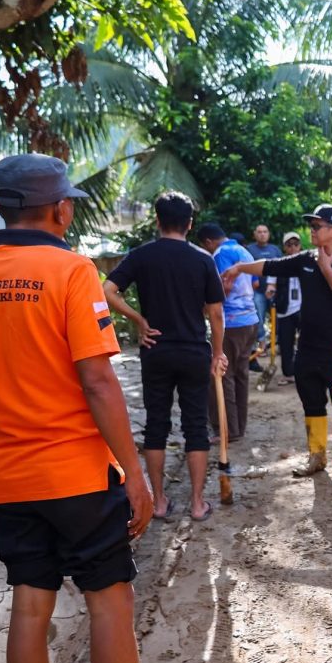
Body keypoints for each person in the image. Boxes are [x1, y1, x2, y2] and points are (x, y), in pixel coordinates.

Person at [0, 154, 153, 663]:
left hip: (8, 475)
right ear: (62, 209)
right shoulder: (73, 271)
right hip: (77, 471)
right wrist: (134, 473)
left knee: (29, 603)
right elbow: (97, 380)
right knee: (110, 601)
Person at [103, 191, 227, 522]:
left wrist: (139, 320)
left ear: (157, 220)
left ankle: (158, 502)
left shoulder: (142, 256)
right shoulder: (203, 259)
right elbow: (216, 313)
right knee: (195, 426)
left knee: (156, 425)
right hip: (193, 351)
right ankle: (197, 504)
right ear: (190, 224)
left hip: (155, 350)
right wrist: (218, 352)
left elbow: (107, 290)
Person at [221, 204, 332, 477]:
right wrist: (239, 268)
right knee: (312, 404)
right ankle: (316, 456)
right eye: (311, 226)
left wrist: (326, 268)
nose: (312, 231)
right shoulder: (306, 259)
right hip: (308, 349)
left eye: (317, 226)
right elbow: (272, 266)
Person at [196, 223, 258, 442]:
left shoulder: (221, 254)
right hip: (251, 319)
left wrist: (204, 306)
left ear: (208, 242)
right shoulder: (244, 251)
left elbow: (225, 287)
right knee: (241, 375)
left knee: (223, 376)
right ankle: (238, 427)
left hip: (231, 321)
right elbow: (255, 283)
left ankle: (227, 430)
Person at [268, 231, 303, 386]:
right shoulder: (278, 264)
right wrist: (270, 290)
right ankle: (288, 373)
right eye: (289, 245)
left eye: (296, 244)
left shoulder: (307, 262)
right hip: (285, 310)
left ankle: (304, 371)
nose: (293, 247)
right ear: (284, 247)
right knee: (285, 343)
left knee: (306, 341)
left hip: (304, 308)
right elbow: (271, 284)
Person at [246, 224, 282, 363]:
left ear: (269, 234)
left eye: (265, 232)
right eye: (259, 232)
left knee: (279, 318)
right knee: (258, 318)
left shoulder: (275, 250)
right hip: (257, 291)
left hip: (275, 291)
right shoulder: (249, 250)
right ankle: (262, 343)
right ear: (254, 234)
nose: (262, 234)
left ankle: (277, 344)